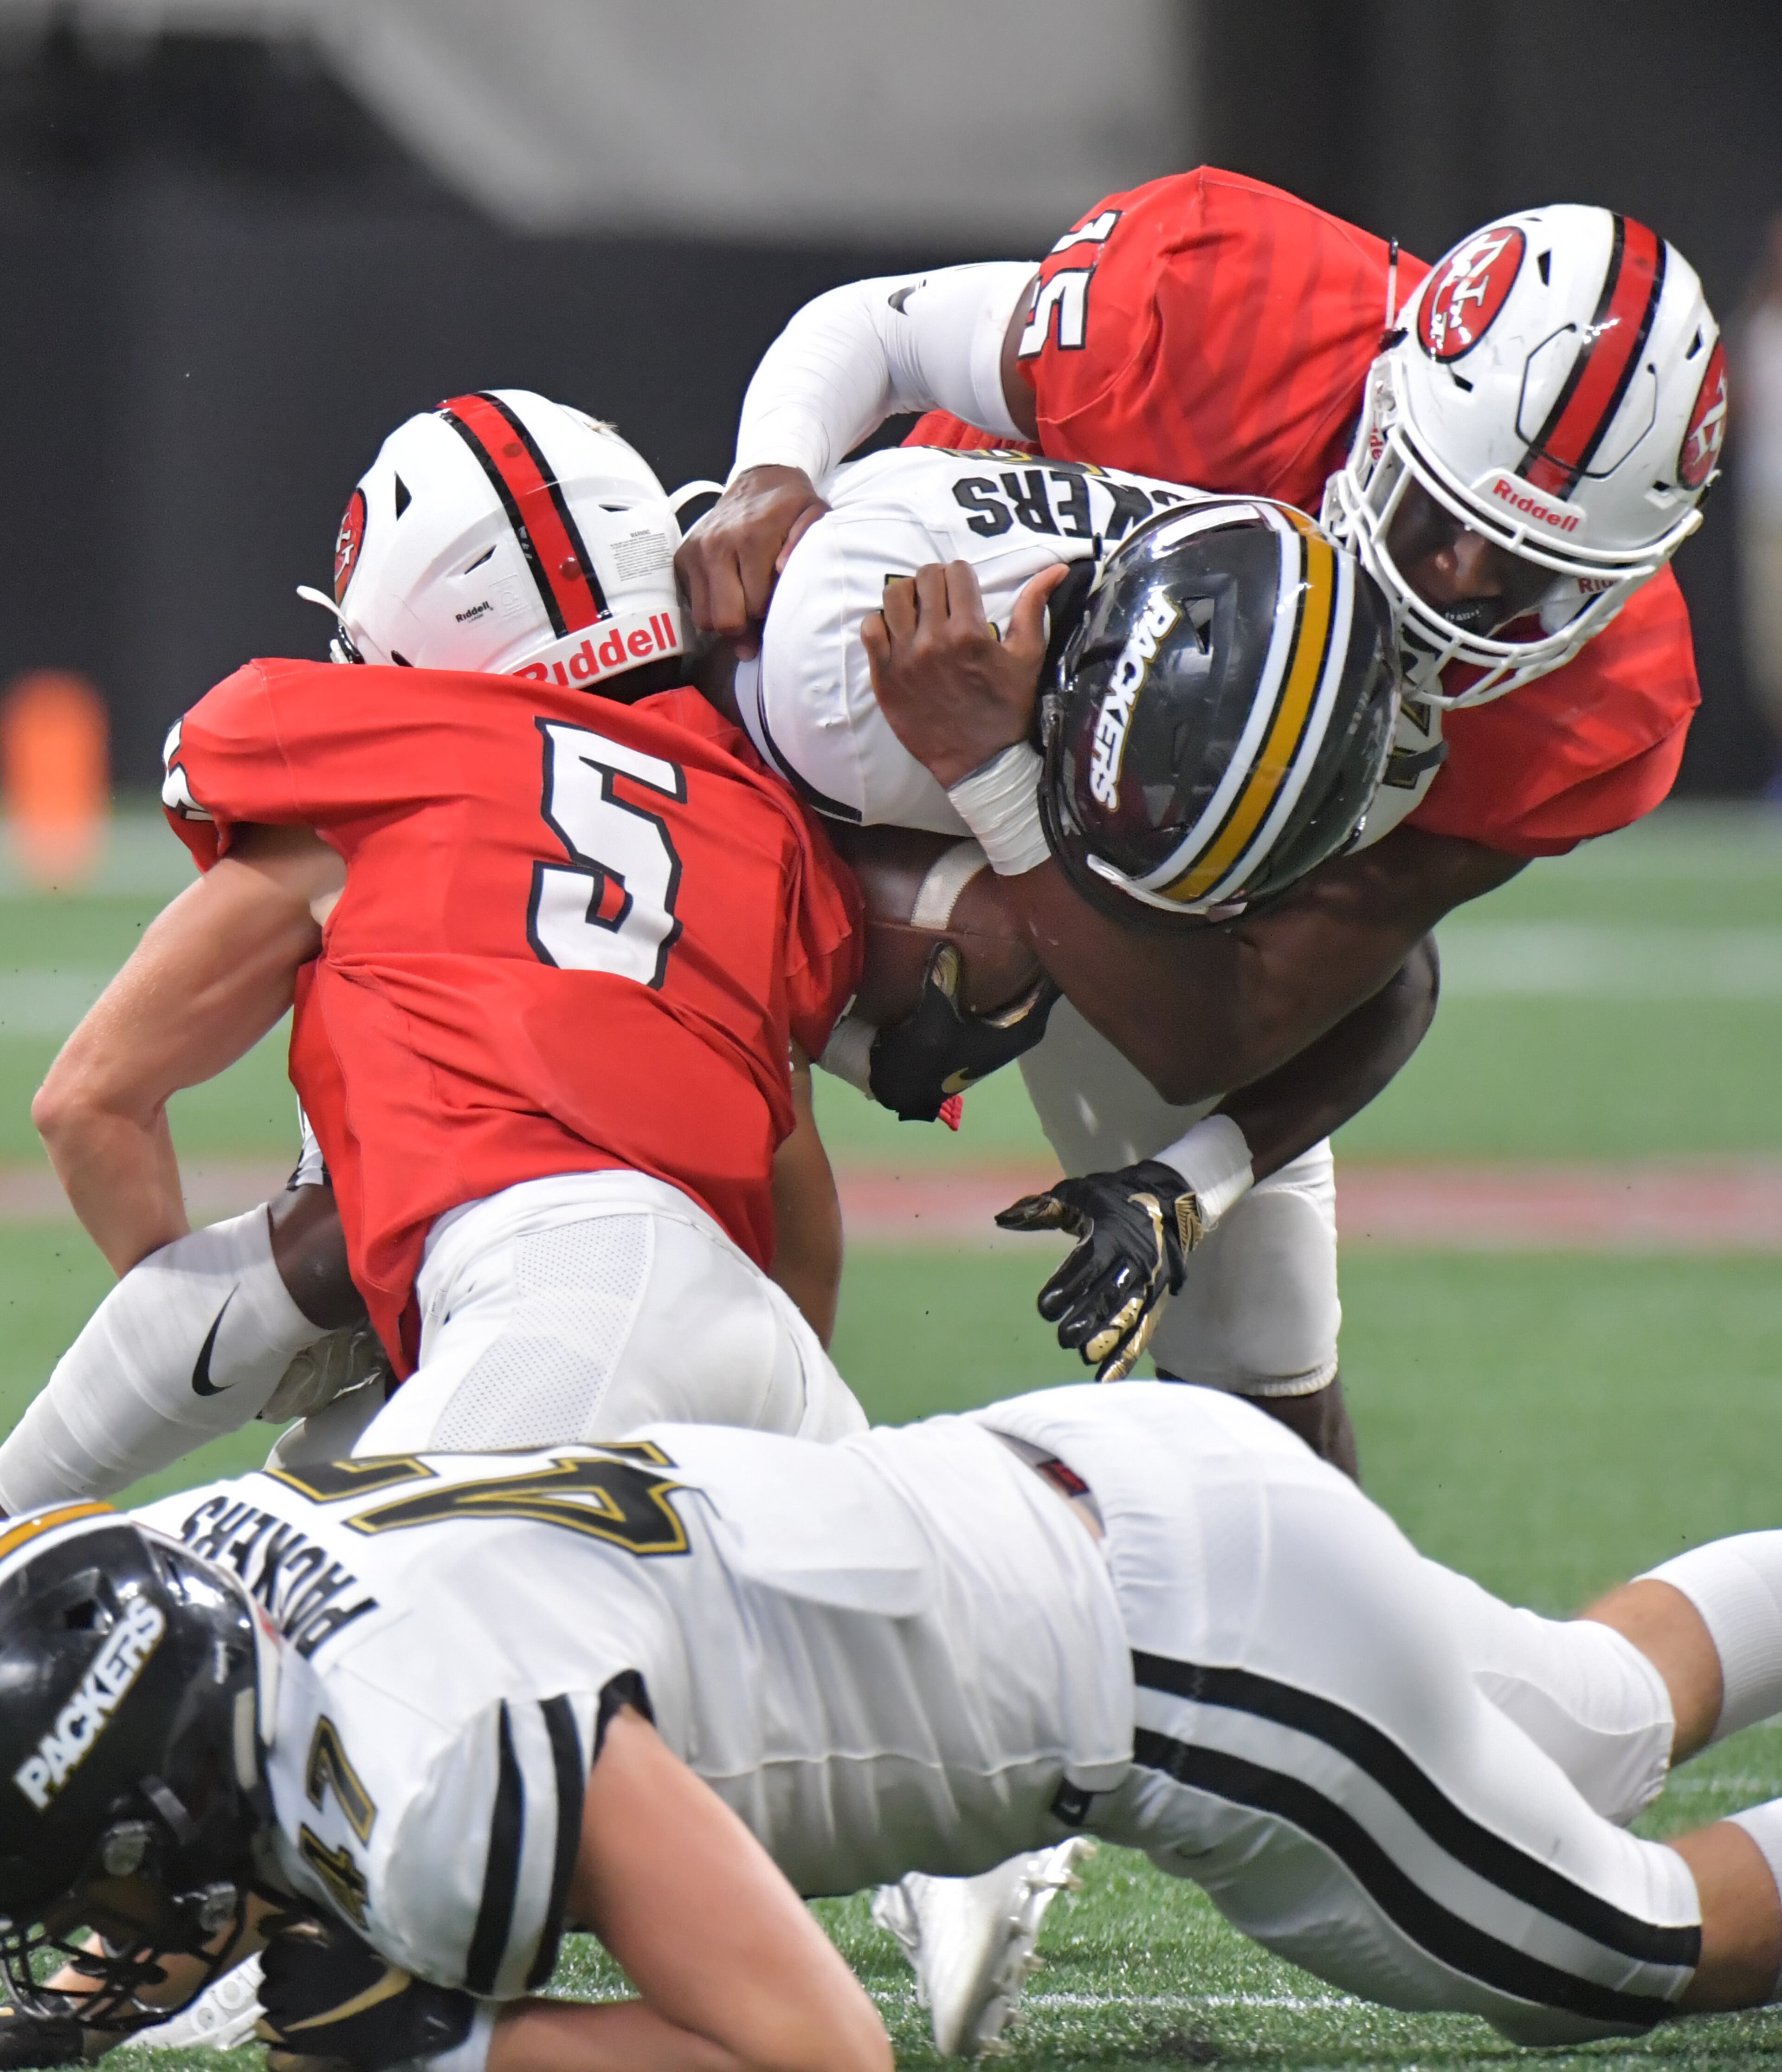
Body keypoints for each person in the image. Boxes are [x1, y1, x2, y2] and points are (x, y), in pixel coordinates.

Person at [676, 177, 1730, 1464]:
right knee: (679, 1125)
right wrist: (769, 475)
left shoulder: (1602, 706)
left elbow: (1254, 1018)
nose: (1454, 589)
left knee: (1268, 1426)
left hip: (1112, 842)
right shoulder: (1229, 301)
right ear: (1389, 403)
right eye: (1440, 519)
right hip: (921, 649)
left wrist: (1192, 1178)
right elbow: (882, 329)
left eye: (1528, 575)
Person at [5, 1380, 1782, 2070]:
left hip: (1186, 1676)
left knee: (1624, 1946)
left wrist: (447, 2047)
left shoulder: (434, 1772)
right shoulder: (173, 1563)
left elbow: (815, 2047)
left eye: (97, 1873)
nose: (92, 1919)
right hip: (1116, 1468)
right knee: (1602, 1715)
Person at [3, 390, 868, 1522]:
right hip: (762, 1351)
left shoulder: (378, 778)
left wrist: (252, 1308)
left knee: (296, 1645)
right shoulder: (752, 816)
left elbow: (89, 1105)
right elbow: (796, 1203)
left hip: (548, 1301)